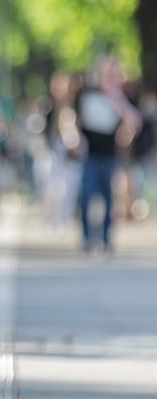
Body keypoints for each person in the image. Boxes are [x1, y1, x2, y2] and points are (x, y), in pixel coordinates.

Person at [75, 56, 141, 253]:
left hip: (110, 154)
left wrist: (115, 98)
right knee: (86, 194)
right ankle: (87, 238)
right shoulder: (87, 94)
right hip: (90, 153)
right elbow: (76, 120)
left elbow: (134, 121)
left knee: (108, 198)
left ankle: (105, 238)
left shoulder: (120, 97)